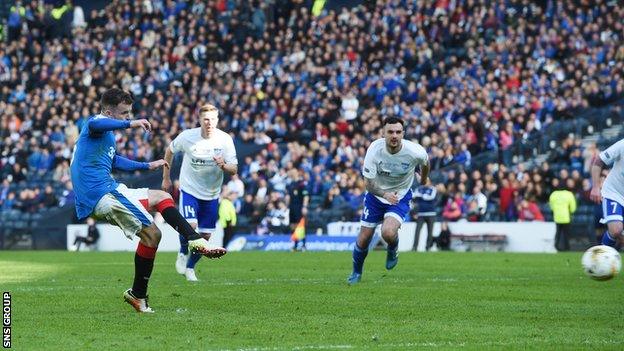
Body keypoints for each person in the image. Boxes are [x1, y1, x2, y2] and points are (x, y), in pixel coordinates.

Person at [70, 88, 226, 313]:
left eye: (129, 113)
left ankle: (138, 295)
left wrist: (146, 166)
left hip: (110, 189)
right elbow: (97, 124)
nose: (127, 116)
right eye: (123, 113)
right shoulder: (95, 123)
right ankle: (195, 241)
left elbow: (114, 162)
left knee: (161, 202)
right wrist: (131, 124)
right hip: (101, 194)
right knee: (154, 234)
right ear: (108, 112)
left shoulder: (107, 135)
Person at [348, 117, 429, 284]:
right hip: (376, 196)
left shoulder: (415, 151)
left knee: (388, 232)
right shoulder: (374, 150)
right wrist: (384, 195)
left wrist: (423, 178)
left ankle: (393, 246)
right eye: (390, 132)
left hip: (400, 196)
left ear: (403, 134)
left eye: (398, 132)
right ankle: (356, 272)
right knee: (364, 238)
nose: (394, 135)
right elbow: (368, 184)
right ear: (383, 134)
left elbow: (426, 162)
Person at [162, 103, 238, 282]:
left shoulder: (225, 140)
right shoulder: (188, 137)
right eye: (206, 119)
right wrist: (166, 178)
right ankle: (182, 251)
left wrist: (223, 165)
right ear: (200, 120)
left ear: (217, 120)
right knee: (191, 225)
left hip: (211, 195)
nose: (209, 122)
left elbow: (234, 169)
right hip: (190, 190)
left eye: (212, 119)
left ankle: (190, 268)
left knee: (205, 237)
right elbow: (169, 151)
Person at [590, 140, 624, 249]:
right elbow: (599, 161)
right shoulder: (622, 145)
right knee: (616, 229)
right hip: (614, 192)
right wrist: (595, 187)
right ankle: (602, 257)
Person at [549, 183, 577, 251]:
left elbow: (551, 206)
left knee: (557, 233)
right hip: (566, 217)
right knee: (566, 234)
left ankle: (556, 246)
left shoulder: (553, 194)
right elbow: (573, 206)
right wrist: (571, 211)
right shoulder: (569, 194)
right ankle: (567, 247)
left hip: (557, 217)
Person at [412, 181, 437, 251]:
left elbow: (430, 197)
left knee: (430, 231)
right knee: (417, 231)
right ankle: (414, 247)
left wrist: (420, 195)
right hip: (421, 214)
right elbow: (413, 195)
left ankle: (428, 247)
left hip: (431, 213)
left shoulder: (433, 189)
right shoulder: (419, 189)